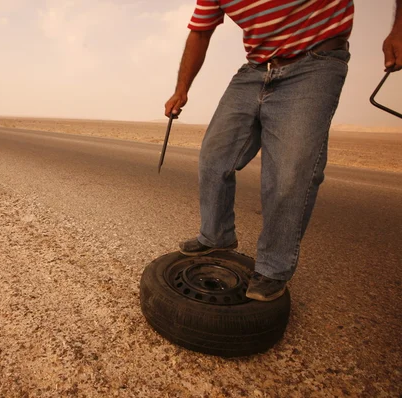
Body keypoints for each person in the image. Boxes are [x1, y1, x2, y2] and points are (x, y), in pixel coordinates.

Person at [165, 0, 401, 301]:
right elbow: (199, 32)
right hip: (254, 69)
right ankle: (216, 236)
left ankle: (273, 267)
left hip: (315, 63)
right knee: (214, 157)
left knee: (289, 173)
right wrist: (181, 88)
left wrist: (399, 31)